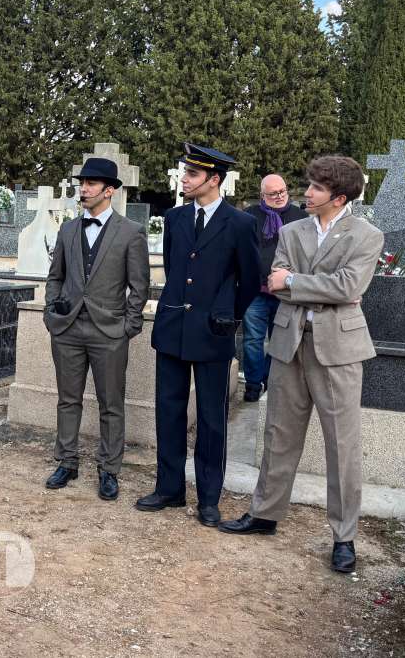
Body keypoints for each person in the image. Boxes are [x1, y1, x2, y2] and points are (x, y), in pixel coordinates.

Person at [219, 156, 383, 575]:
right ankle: (265, 514)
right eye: (307, 185)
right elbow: (275, 283)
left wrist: (294, 282)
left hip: (339, 352)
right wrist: (308, 287)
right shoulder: (291, 231)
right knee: (278, 433)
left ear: (339, 197)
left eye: (315, 188)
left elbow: (349, 286)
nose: (305, 193)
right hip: (288, 342)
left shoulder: (366, 235)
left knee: (342, 446)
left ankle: (344, 536)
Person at [137, 144, 259, 526]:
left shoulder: (239, 223)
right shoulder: (174, 219)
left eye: (192, 174)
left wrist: (227, 316)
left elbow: (251, 281)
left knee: (211, 419)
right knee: (169, 412)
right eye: (184, 173)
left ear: (214, 179)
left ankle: (208, 497)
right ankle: (169, 489)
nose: (184, 180)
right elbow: (176, 271)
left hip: (213, 333)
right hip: (173, 329)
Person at [42, 157, 150, 500]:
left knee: (111, 403)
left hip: (110, 332)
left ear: (109, 190)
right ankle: (67, 461)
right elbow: (55, 276)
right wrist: (50, 312)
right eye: (82, 183)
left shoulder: (131, 232)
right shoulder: (69, 229)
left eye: (90, 184)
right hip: (68, 328)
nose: (83, 189)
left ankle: (109, 469)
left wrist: (128, 327)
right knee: (67, 399)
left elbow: (140, 286)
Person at [242, 174, 306, 402]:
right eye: (273, 194)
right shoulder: (250, 215)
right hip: (255, 291)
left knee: (278, 339)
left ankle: (270, 380)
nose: (279, 196)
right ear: (262, 195)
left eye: (282, 191)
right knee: (252, 339)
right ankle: (251, 383)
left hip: (285, 293)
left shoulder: (301, 217)